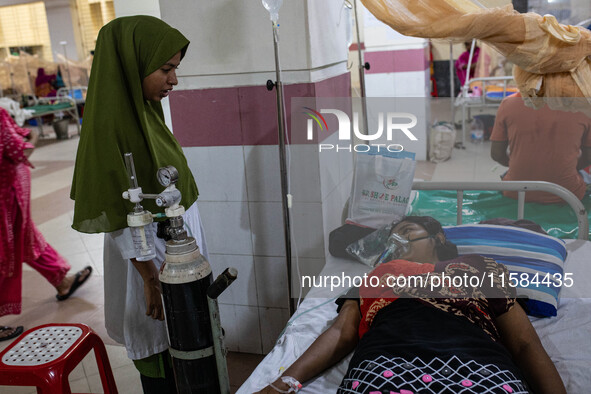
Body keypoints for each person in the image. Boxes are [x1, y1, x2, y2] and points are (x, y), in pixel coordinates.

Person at [258, 216, 566, 393]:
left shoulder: (479, 265)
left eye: (407, 231)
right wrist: (281, 385)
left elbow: (525, 342)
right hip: (385, 365)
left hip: (480, 365)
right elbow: (341, 333)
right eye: (393, 236)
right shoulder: (376, 274)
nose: (399, 239)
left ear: (438, 236)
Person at [70, 16, 208, 394]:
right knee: (162, 356)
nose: (173, 80)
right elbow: (113, 211)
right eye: (166, 69)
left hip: (175, 257)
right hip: (148, 265)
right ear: (134, 63)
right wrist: (149, 276)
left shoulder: (147, 113)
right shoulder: (108, 128)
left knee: (190, 348)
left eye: (175, 69)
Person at [0, 107, 92, 341]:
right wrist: (33, 137)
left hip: (8, 194)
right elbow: (18, 148)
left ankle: (62, 281)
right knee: (6, 250)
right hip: (5, 193)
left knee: (24, 238)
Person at [490, 93, 591, 204]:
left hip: (517, 192)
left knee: (508, 174)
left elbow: (496, 154)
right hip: (568, 194)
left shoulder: (509, 103)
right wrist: (566, 166)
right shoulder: (583, 106)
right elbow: (588, 157)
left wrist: (523, 165)